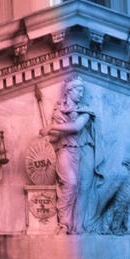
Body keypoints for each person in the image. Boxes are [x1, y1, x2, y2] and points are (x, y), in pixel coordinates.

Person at [43, 78, 99, 233]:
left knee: (84, 188)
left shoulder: (85, 110)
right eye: (78, 90)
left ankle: (79, 225)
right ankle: (64, 224)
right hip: (66, 149)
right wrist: (46, 140)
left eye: (83, 91)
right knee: (71, 184)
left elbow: (76, 127)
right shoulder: (58, 112)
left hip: (85, 150)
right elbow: (56, 137)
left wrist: (51, 127)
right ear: (69, 91)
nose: (81, 94)